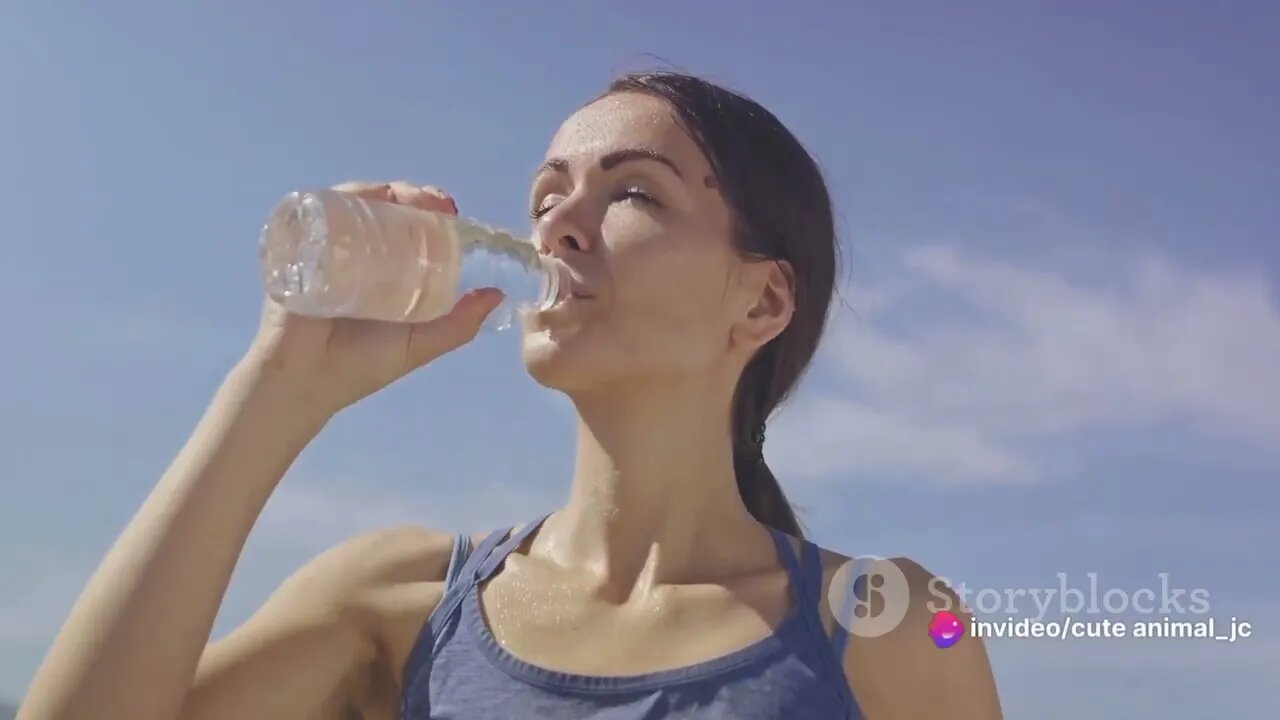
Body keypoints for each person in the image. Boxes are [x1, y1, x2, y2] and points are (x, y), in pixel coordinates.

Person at [19, 71, 1001, 719]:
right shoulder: (396, 597)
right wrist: (274, 393)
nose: (557, 226)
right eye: (543, 197)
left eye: (630, 193)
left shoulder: (899, 619)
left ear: (762, 298)